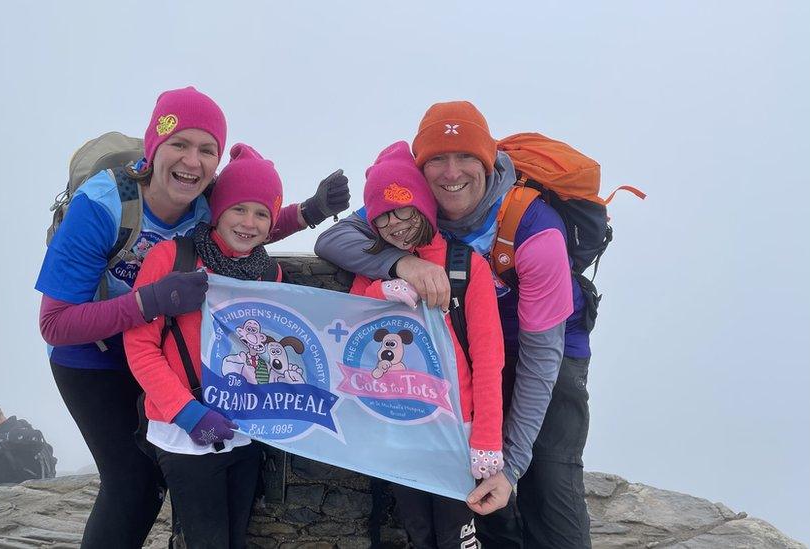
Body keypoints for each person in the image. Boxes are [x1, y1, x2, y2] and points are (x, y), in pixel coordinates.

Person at [35, 86, 350, 548]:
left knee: (153, 478)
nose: (192, 161)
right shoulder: (101, 208)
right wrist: (149, 303)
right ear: (153, 147)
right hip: (91, 358)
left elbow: (243, 224)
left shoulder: (204, 200)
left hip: (152, 347)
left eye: (207, 150)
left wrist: (309, 212)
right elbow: (55, 325)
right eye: (179, 144)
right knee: (131, 482)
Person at [315, 101, 591, 548]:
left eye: (465, 157)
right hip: (466, 358)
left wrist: (512, 465)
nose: (450, 173)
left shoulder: (535, 228)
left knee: (549, 486)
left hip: (544, 355)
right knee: (475, 499)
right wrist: (400, 262)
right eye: (436, 160)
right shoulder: (411, 205)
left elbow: (542, 360)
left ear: (487, 160)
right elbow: (333, 238)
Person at [125, 143, 289, 549]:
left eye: (262, 213)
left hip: (243, 432)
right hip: (183, 433)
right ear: (218, 210)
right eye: (239, 208)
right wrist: (187, 412)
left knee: (235, 538)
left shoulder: (270, 272)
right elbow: (141, 347)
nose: (249, 223)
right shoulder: (173, 258)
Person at [347, 141, 504, 548]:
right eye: (382, 217)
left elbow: (489, 360)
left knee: (459, 539)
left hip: (458, 432)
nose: (394, 224)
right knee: (419, 534)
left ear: (424, 203)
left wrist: (486, 440)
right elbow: (351, 315)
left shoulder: (469, 266)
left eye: (403, 208)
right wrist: (384, 289)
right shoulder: (379, 263)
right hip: (404, 428)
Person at [0, 403, 57, 479]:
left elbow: (36, 440)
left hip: (35, 487)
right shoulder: (21, 426)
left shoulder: (10, 433)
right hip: (47, 479)